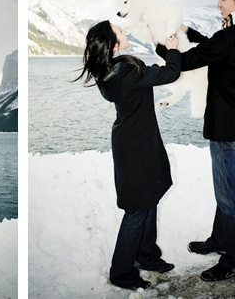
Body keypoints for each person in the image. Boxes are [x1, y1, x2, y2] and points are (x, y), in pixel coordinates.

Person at [155, 0, 235, 282]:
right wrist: (190, 33)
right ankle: (219, 239)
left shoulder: (232, 36)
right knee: (224, 185)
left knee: (228, 193)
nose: (218, 3)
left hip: (227, 124)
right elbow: (213, 45)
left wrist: (166, 50)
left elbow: (196, 57)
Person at [75, 20, 181, 290]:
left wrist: (156, 61)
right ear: (113, 44)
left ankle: (146, 255)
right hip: (138, 145)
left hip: (134, 139)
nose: (125, 32)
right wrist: (172, 49)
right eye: (120, 31)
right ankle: (121, 272)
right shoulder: (127, 69)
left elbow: (149, 75)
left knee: (150, 196)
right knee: (137, 208)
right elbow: (170, 74)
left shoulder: (113, 70)